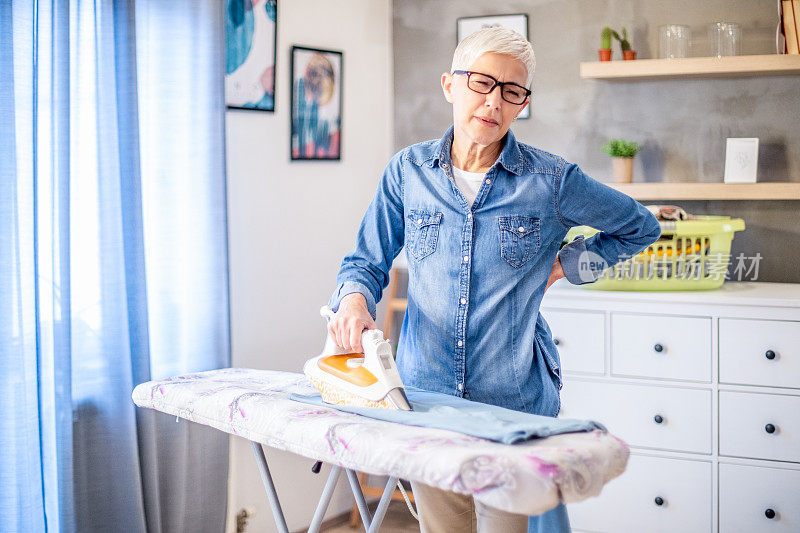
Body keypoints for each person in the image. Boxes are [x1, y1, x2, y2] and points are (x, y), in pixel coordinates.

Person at [325, 26, 661, 533]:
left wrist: (568, 265)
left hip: (513, 403)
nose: (493, 102)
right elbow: (366, 261)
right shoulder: (407, 171)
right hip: (426, 397)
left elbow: (641, 227)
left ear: (522, 102)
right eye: (481, 83)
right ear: (449, 84)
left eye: (511, 91)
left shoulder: (552, 182)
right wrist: (353, 301)